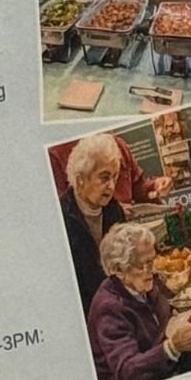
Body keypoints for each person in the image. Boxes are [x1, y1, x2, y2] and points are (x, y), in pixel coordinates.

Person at [85, 224, 191, 380]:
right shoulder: (109, 308)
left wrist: (187, 313)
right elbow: (127, 372)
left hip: (163, 372)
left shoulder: (142, 283)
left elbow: (163, 316)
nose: (152, 270)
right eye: (143, 264)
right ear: (118, 269)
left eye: (152, 260)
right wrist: (172, 347)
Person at [58, 133, 127, 310]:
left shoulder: (114, 210)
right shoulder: (60, 217)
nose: (112, 186)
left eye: (115, 177)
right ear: (80, 179)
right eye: (104, 177)